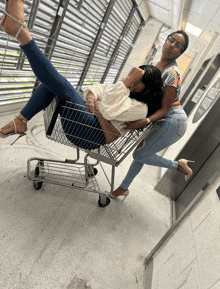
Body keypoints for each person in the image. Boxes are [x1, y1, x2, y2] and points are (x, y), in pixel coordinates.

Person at [0, 0, 164, 150]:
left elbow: (106, 109)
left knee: (61, 85)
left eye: (139, 81)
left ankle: (21, 32)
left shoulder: (142, 109)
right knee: (51, 84)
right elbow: (96, 89)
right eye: (134, 79)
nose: (133, 83)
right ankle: (20, 122)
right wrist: (94, 101)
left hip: (91, 136)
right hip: (88, 122)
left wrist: (124, 84)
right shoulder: (128, 91)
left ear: (148, 88)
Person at [111, 30, 194, 202]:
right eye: (171, 40)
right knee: (141, 152)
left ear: (180, 52)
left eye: (178, 45)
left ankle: (179, 166)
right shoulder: (156, 65)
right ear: (165, 41)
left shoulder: (172, 74)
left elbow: (164, 108)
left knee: (139, 155)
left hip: (173, 121)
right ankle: (123, 188)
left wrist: (145, 120)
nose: (172, 45)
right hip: (160, 118)